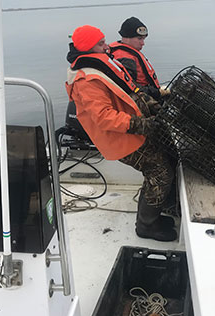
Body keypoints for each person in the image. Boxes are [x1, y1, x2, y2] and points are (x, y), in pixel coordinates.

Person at [65, 25, 176, 241]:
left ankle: (153, 217)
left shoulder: (102, 64)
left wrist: (152, 107)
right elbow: (104, 117)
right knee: (160, 173)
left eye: (104, 41)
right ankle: (146, 226)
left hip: (132, 131)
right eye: (100, 43)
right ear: (88, 48)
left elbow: (131, 91)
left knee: (164, 164)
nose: (107, 46)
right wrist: (143, 125)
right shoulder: (85, 80)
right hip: (121, 137)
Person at [109, 17, 169, 100]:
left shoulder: (127, 51)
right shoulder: (125, 58)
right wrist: (157, 93)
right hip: (142, 101)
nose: (143, 43)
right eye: (139, 39)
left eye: (143, 39)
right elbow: (130, 86)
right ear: (127, 37)